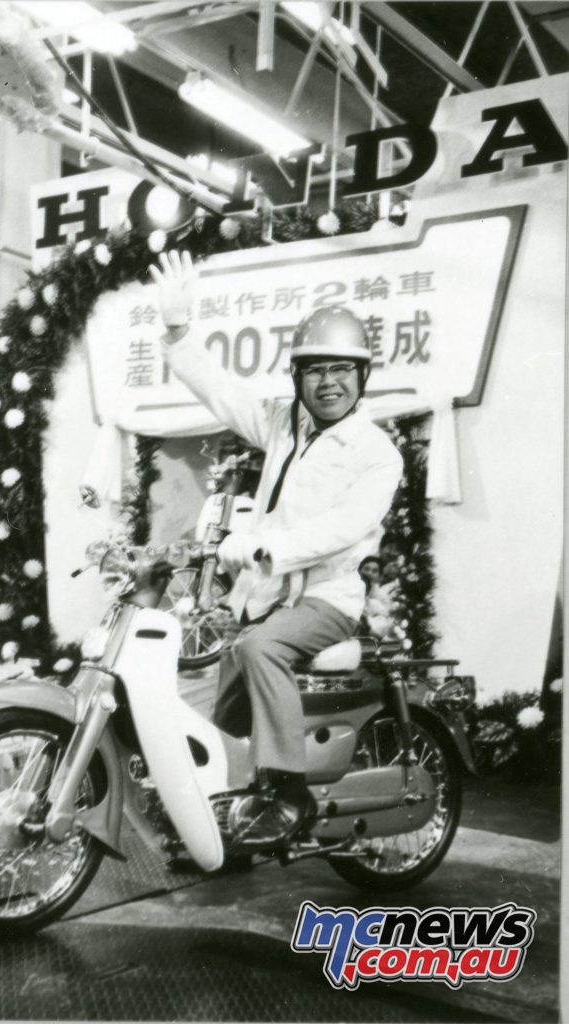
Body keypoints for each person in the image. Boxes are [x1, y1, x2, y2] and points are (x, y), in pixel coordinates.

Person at [149, 250, 403, 847]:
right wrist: (180, 330)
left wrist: (267, 549)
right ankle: (226, 830)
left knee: (261, 649)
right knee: (219, 717)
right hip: (267, 596)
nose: (329, 381)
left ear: (362, 377)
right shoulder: (284, 424)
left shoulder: (376, 451)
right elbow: (221, 392)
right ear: (298, 377)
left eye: (343, 369)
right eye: (315, 369)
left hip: (328, 598)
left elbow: (347, 526)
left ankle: (288, 793)